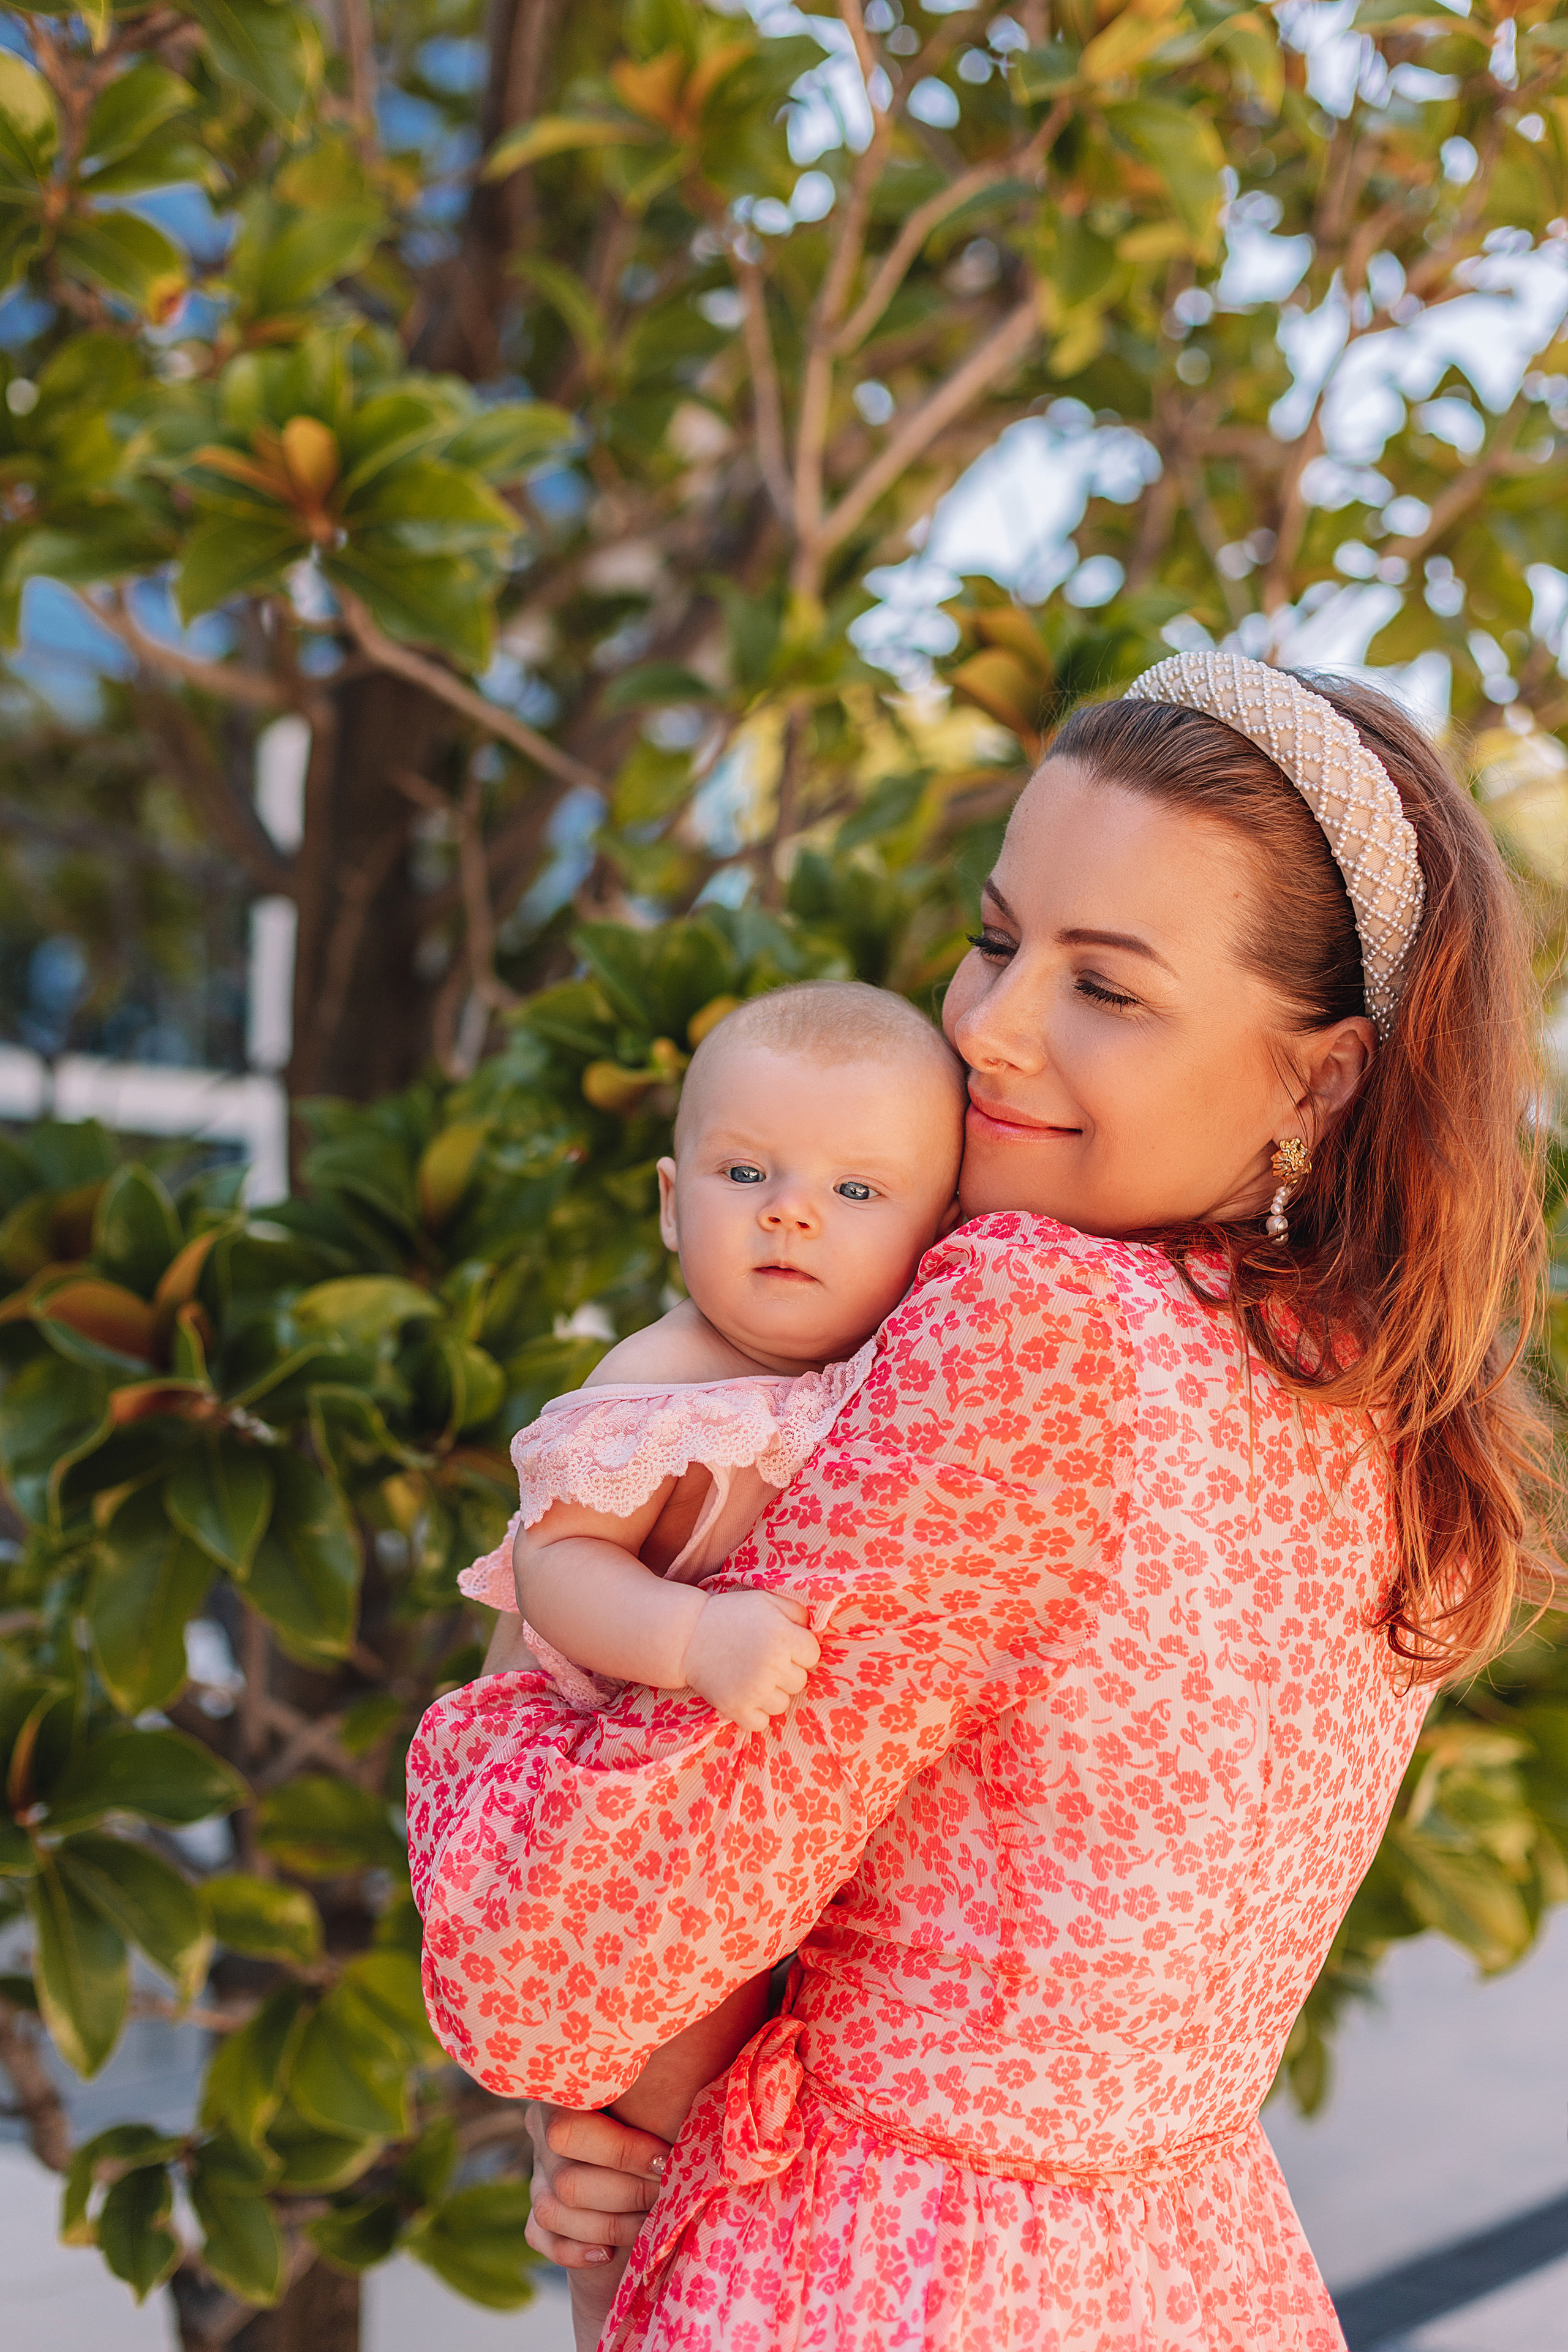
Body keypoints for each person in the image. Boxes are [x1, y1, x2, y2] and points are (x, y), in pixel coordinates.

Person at [408, 651, 1551, 2352]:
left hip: (889, 2274)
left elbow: (567, 1958)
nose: (989, 1027)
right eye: (999, 937)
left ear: (1321, 1078)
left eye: (1109, 987)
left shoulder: (1029, 1322)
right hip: (1195, 2268)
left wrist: (620, 2090)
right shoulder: (1372, 1388)